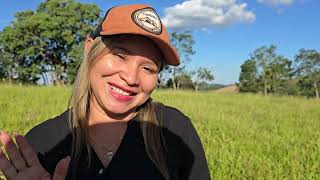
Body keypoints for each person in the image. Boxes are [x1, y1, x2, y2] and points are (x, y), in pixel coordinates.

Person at [0, 4, 210, 180]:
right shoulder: (44, 142)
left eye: (148, 68)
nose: (131, 78)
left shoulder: (174, 130)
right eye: (120, 55)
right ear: (90, 49)